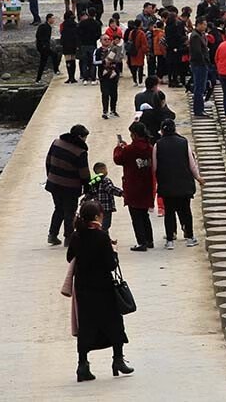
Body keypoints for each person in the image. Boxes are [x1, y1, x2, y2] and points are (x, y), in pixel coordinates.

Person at [66, 200, 134, 382]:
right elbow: (111, 264)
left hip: (83, 288)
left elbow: (69, 257)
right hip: (103, 288)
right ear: (97, 217)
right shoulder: (102, 237)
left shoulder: (76, 236)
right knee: (113, 323)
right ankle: (118, 360)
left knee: (86, 326)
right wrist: (114, 251)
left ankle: (82, 365)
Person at [153, 119, 204, 248]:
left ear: (162, 130)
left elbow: (154, 167)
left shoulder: (158, 145)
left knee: (169, 212)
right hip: (184, 183)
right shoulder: (183, 142)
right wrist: (198, 178)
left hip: (166, 184)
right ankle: (190, 237)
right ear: (174, 129)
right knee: (186, 211)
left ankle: (170, 240)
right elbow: (192, 164)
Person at [45, 124, 91, 246]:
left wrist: (50, 176)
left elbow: (48, 161)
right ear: (80, 137)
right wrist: (87, 188)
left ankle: (52, 235)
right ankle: (69, 238)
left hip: (54, 183)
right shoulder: (80, 152)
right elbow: (84, 173)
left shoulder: (56, 143)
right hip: (70, 187)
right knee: (70, 211)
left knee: (58, 208)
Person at [113, 122, 155, 251]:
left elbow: (118, 159)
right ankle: (149, 240)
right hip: (147, 185)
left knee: (136, 216)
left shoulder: (130, 149)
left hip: (133, 186)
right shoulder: (150, 148)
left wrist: (119, 148)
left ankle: (141, 242)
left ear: (135, 134)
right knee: (144, 214)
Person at [83, 162, 123, 235]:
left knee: (100, 223)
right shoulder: (106, 180)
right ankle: (101, 237)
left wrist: (84, 200)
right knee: (106, 225)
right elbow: (111, 189)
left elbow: (90, 193)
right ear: (103, 171)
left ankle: (105, 239)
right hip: (106, 208)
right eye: (105, 169)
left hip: (97, 208)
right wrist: (121, 193)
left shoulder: (94, 182)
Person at [95, 34, 124, 119]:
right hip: (103, 76)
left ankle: (113, 110)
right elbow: (94, 62)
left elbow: (119, 59)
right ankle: (105, 111)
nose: (107, 41)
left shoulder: (115, 49)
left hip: (114, 75)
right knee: (105, 93)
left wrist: (112, 61)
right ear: (101, 41)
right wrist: (104, 62)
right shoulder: (97, 51)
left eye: (108, 39)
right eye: (105, 39)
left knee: (114, 93)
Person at [188, 18, 210, 118]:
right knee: (199, 87)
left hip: (200, 64)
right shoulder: (195, 36)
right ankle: (198, 110)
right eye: (204, 25)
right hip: (199, 65)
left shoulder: (200, 35)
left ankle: (200, 108)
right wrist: (204, 61)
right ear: (199, 24)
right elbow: (197, 52)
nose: (205, 27)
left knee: (201, 87)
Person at [77, 10, 102, 84]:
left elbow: (78, 33)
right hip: (92, 44)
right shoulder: (97, 23)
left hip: (84, 44)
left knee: (84, 61)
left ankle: (85, 78)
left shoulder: (82, 23)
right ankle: (93, 78)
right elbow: (99, 34)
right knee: (93, 61)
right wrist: (94, 38)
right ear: (95, 14)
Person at [36, 13, 61, 82]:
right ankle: (38, 79)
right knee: (44, 62)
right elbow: (39, 36)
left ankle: (55, 70)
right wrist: (44, 45)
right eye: (52, 18)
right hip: (43, 47)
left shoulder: (47, 26)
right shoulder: (44, 27)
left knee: (53, 56)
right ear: (49, 19)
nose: (54, 20)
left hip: (45, 46)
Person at [135, 3, 158, 77]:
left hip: (151, 40)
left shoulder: (152, 17)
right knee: (140, 59)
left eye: (151, 8)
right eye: (149, 8)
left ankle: (152, 74)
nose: (151, 10)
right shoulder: (139, 17)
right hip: (142, 40)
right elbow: (139, 27)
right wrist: (148, 28)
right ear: (145, 8)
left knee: (152, 59)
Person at [126, 19, 149, 86]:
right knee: (140, 67)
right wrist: (146, 52)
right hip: (139, 52)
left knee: (134, 67)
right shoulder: (141, 33)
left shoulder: (131, 32)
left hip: (132, 52)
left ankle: (135, 81)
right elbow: (144, 44)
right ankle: (140, 81)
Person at [60, 10, 80, 84]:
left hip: (66, 45)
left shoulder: (63, 25)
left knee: (68, 61)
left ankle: (69, 77)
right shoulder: (75, 24)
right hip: (73, 44)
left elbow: (61, 34)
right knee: (73, 60)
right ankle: (73, 77)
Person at [153, 18, 168, 83]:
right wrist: (164, 52)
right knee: (161, 65)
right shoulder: (161, 33)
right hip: (161, 51)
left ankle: (159, 77)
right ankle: (160, 78)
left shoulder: (155, 32)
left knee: (159, 64)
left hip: (156, 50)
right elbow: (161, 43)